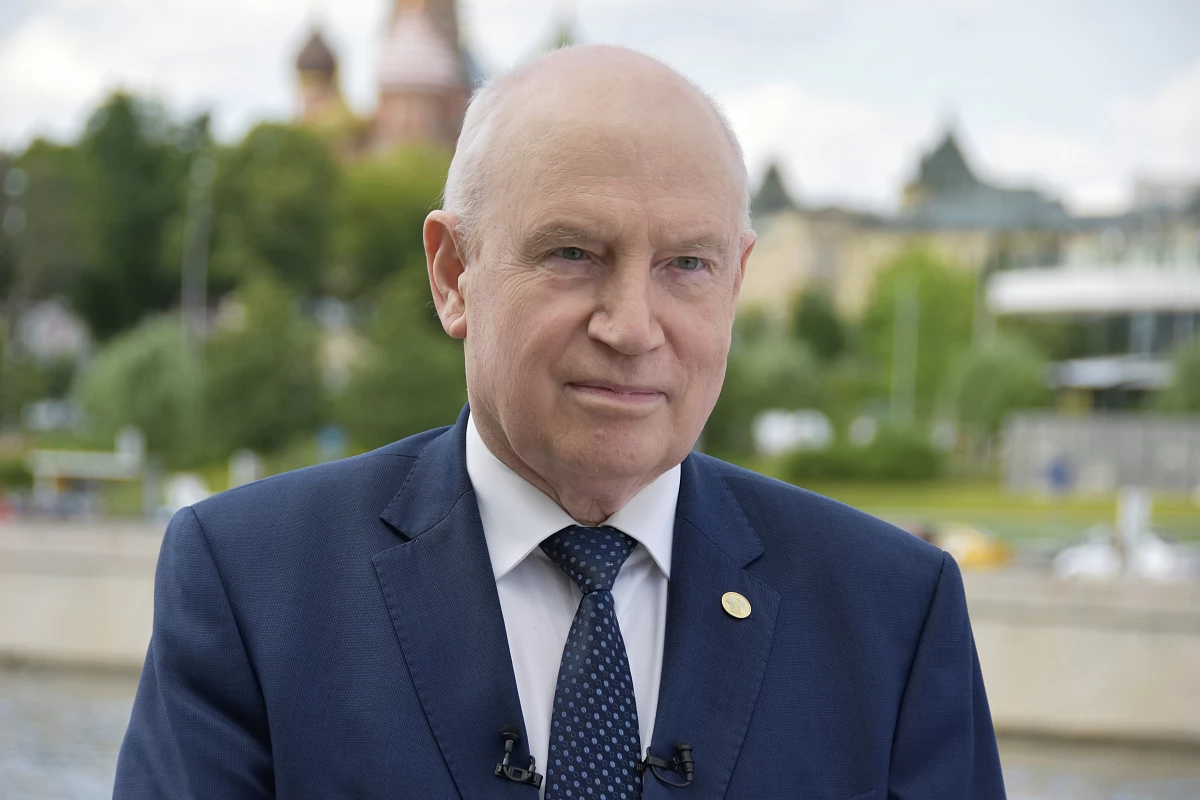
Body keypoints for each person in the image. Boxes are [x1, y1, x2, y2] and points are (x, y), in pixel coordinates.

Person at [115, 46, 1005, 799]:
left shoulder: (893, 612)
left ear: (737, 282)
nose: (632, 327)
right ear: (453, 274)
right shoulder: (252, 585)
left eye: (686, 265)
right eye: (574, 253)